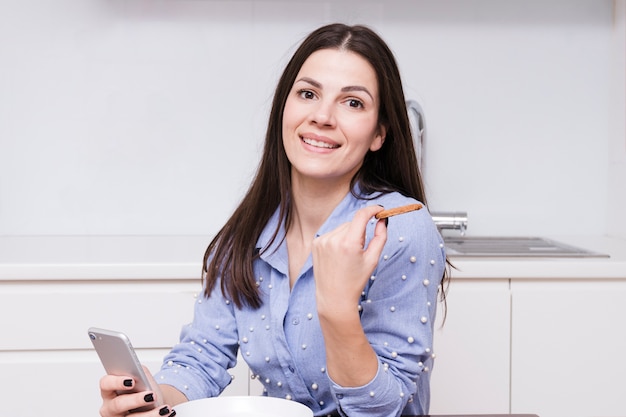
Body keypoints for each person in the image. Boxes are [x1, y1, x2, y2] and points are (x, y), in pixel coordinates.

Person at [99, 23, 448, 417]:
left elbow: (385, 408)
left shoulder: (400, 228)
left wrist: (336, 310)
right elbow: (200, 359)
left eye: (352, 103)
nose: (322, 116)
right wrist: (155, 399)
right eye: (308, 94)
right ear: (285, 107)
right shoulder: (248, 232)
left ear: (379, 134)